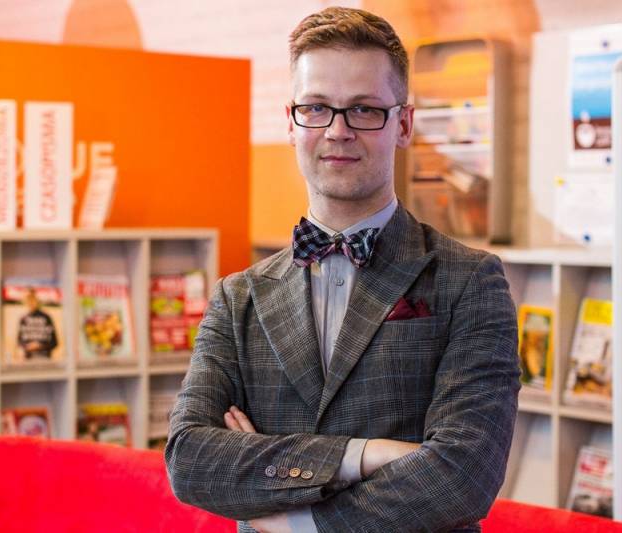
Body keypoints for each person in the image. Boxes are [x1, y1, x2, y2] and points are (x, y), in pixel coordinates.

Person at [165, 7, 520, 532]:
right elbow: (190, 460)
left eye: (364, 110)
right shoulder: (238, 297)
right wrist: (364, 454)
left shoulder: (470, 280)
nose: (337, 130)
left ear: (404, 124)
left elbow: (463, 474)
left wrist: (296, 522)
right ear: (291, 123)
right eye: (316, 108)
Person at [16, 288, 59, 360]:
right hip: (28, 360)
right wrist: (26, 347)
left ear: (37, 299)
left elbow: (54, 342)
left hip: (44, 359)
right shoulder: (23, 319)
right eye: (28, 299)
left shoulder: (46, 317)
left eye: (32, 298)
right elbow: (19, 342)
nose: (30, 301)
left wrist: (40, 345)